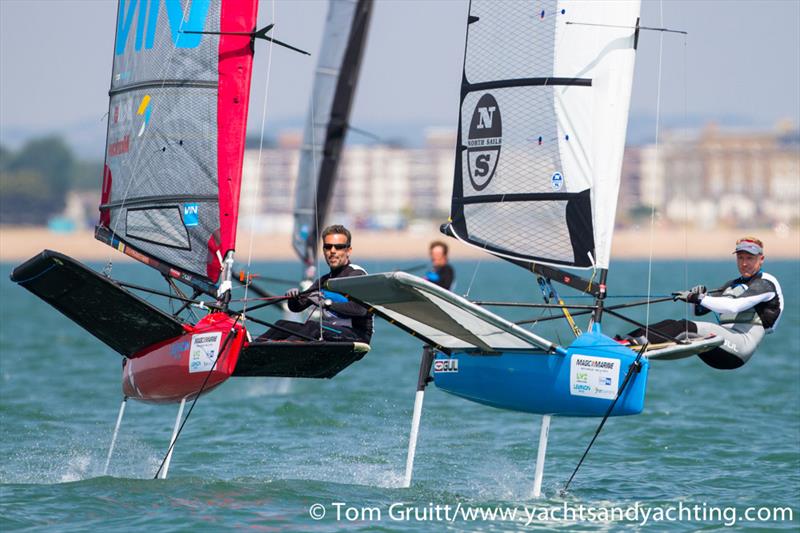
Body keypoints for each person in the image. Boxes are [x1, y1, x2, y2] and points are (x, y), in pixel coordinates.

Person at [625, 237, 783, 369]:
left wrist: (698, 298)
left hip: (739, 347)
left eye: (749, 258)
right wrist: (701, 296)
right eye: (740, 257)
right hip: (720, 344)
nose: (744, 263)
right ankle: (624, 340)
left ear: (761, 259)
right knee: (672, 324)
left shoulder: (765, 284)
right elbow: (700, 311)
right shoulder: (731, 285)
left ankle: (630, 346)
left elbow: (734, 306)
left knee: (684, 327)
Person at [259, 225, 373, 344]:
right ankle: (250, 348)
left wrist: (326, 304)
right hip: (331, 332)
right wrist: (293, 298)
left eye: (338, 247)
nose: (332, 251)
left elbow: (360, 310)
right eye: (328, 247)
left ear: (348, 251)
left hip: (357, 336)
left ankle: (280, 349)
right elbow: (297, 307)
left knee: (314, 327)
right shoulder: (323, 281)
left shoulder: (356, 274)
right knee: (282, 325)